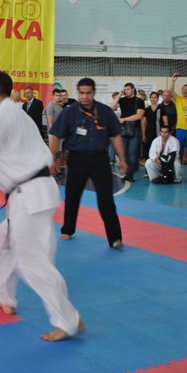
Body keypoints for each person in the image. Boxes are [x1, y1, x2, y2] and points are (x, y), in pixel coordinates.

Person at [0, 70, 85, 342]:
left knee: (31, 261)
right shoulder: (18, 114)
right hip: (38, 191)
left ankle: (67, 320)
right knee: (7, 239)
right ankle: (3, 295)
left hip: (28, 194)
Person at [50, 77, 127, 247]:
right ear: (77, 93)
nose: (84, 96)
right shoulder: (69, 112)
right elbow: (56, 136)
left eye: (88, 93)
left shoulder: (105, 111)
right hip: (77, 158)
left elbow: (115, 136)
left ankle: (115, 238)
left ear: (94, 93)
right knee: (72, 196)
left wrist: (122, 159)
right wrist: (51, 160)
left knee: (106, 199)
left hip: (100, 158)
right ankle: (67, 229)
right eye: (81, 93)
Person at [110, 82, 145, 182]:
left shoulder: (139, 101)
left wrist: (124, 119)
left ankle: (130, 175)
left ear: (133, 89)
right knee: (123, 153)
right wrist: (119, 95)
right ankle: (125, 174)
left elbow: (139, 115)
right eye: (125, 89)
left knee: (132, 154)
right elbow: (111, 107)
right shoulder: (122, 100)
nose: (126, 91)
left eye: (128, 89)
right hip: (123, 129)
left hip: (135, 129)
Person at [169, 74, 187, 162]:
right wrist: (173, 81)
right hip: (180, 129)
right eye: (183, 89)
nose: (185, 91)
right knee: (179, 150)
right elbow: (171, 92)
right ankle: (179, 166)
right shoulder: (179, 99)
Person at [142, 91, 166, 165]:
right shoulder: (147, 110)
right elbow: (144, 123)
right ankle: (148, 167)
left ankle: (159, 167)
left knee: (158, 150)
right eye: (151, 97)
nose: (153, 99)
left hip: (158, 133)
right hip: (148, 133)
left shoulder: (161, 109)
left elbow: (165, 122)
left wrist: (165, 133)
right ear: (149, 98)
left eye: (155, 97)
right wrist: (143, 134)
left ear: (158, 99)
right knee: (148, 150)